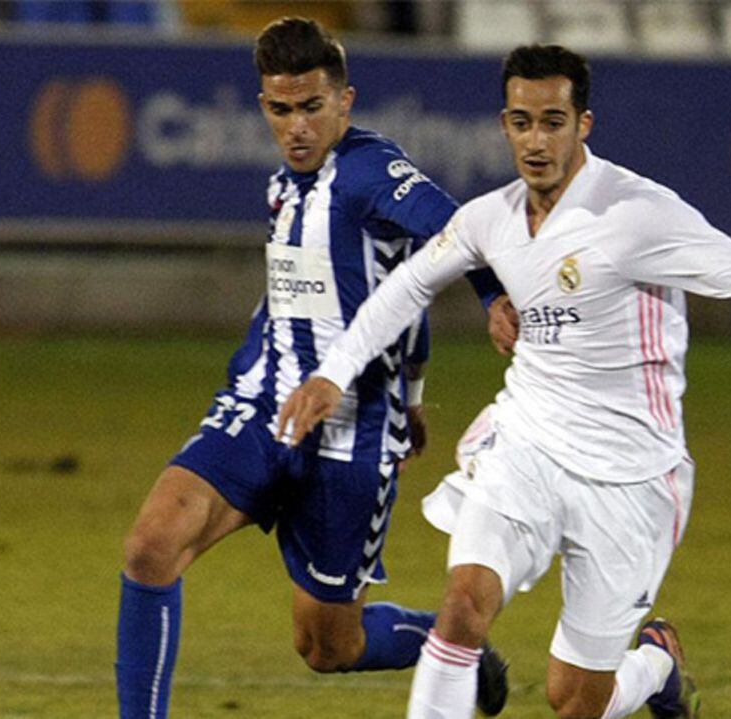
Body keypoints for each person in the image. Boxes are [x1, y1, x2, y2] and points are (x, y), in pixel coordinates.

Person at [279, 44, 731, 719]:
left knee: (575, 700)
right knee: (462, 607)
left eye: (552, 121)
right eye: (520, 122)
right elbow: (409, 285)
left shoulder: (635, 214)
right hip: (528, 445)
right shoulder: (494, 218)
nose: (535, 140)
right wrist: (335, 373)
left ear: (584, 125)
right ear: (505, 124)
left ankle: (655, 663)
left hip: (630, 476)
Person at [114, 17, 511, 719]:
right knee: (152, 544)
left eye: (311, 107)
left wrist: (492, 299)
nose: (296, 126)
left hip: (351, 431)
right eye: (279, 109)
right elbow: (388, 292)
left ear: (345, 102)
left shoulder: (368, 171)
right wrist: (414, 389)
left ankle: (450, 643)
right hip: (264, 398)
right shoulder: (283, 187)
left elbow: (456, 231)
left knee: (328, 645)